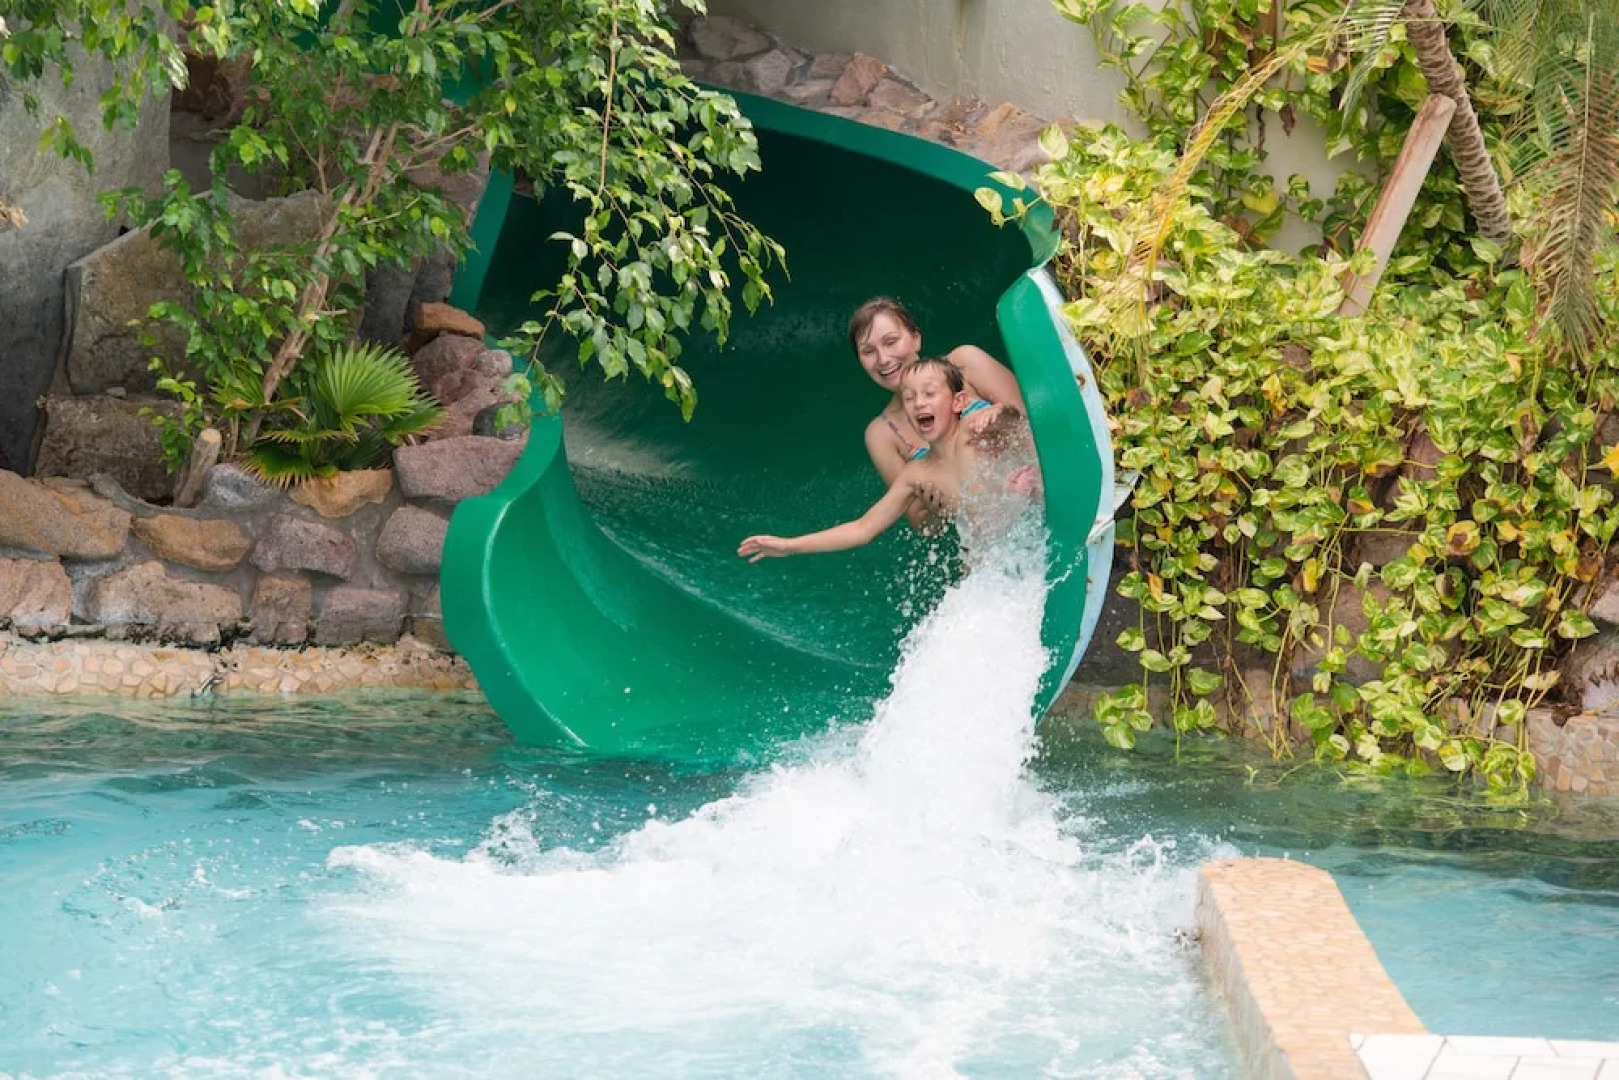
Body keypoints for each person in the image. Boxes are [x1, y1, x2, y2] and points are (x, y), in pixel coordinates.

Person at [738, 358, 1039, 562]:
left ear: (958, 401)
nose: (919, 402)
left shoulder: (973, 425)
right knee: (973, 567)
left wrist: (998, 410)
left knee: (1029, 485)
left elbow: (1017, 425)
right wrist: (790, 546)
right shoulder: (917, 473)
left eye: (929, 393)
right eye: (909, 398)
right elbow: (863, 529)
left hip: (1027, 520)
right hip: (992, 550)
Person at [849, 297, 1026, 529]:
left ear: (916, 338)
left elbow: (1036, 417)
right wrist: (936, 512)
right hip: (991, 532)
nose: (883, 359)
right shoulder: (881, 434)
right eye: (868, 351)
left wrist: (1001, 414)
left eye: (891, 341)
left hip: (1036, 487)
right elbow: (922, 525)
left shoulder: (965, 361)